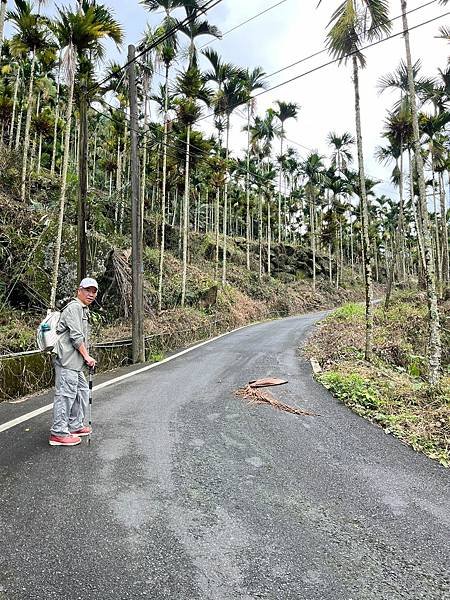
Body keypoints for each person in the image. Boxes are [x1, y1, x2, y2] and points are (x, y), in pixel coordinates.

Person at [49, 278, 98, 447]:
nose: (91, 294)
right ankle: (58, 432)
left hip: (75, 363)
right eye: (87, 290)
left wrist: (84, 358)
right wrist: (87, 357)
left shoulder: (83, 309)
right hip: (67, 361)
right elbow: (76, 337)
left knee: (82, 391)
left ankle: (75, 425)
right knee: (65, 395)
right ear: (79, 290)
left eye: (94, 291)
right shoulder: (75, 307)